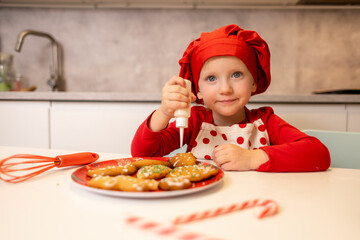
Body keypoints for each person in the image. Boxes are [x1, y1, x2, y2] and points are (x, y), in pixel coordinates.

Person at [131, 24, 330, 172]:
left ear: (254, 81)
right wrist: (164, 112)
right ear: (197, 90)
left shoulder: (266, 121)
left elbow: (319, 154)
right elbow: (142, 153)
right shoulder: (194, 120)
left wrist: (253, 158)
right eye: (211, 78)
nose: (225, 89)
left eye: (236, 75)